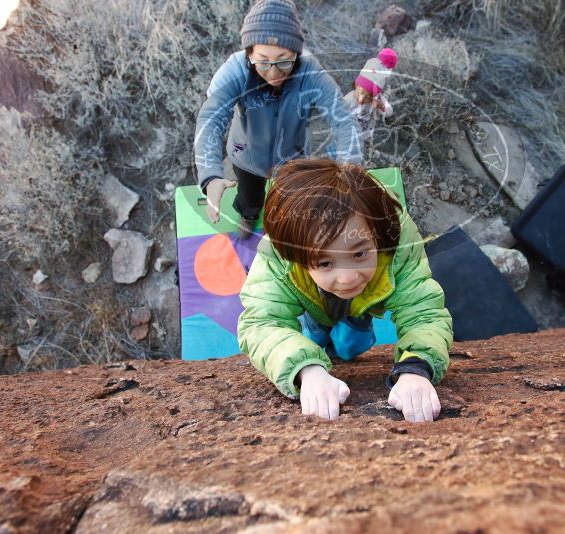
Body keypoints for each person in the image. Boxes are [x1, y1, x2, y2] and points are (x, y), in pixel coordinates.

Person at [237, 158, 452, 423]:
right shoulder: (279, 253)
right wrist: (307, 369)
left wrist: (416, 368)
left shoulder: (397, 239)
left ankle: (346, 328)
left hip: (362, 306)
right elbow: (262, 321)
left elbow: (422, 311)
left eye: (360, 253)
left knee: (350, 349)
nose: (348, 278)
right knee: (312, 339)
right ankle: (318, 340)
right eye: (325, 262)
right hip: (313, 305)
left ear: (376, 235)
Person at [193, 0, 362, 238]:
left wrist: (350, 169)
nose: (274, 73)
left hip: (293, 157)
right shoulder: (235, 71)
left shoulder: (310, 73)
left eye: (284, 60)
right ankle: (249, 214)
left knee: (292, 199)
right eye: (262, 61)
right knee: (249, 195)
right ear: (249, 52)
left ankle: (288, 226)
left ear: (296, 52)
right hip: (246, 156)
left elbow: (343, 119)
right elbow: (211, 119)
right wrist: (210, 175)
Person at [343, 48, 398, 142]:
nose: (363, 98)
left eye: (368, 96)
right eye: (361, 93)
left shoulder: (377, 100)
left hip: (364, 140)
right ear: (356, 85)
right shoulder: (350, 98)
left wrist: (380, 105)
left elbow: (389, 112)